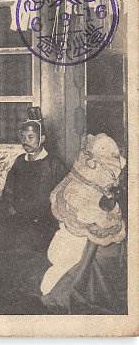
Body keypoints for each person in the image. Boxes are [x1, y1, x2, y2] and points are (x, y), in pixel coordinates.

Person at [39, 133, 127, 313]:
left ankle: (61, 284)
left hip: (90, 248)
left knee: (70, 261)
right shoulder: (80, 185)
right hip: (76, 235)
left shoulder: (97, 184)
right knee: (62, 255)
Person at [1, 107, 68, 246]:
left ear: (42, 139)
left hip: (45, 222)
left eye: (30, 137)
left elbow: (63, 196)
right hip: (18, 218)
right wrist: (12, 210)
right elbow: (8, 191)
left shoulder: (54, 164)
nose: (25, 141)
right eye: (23, 137)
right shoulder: (20, 161)